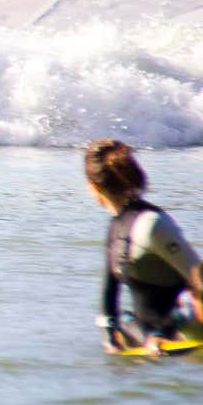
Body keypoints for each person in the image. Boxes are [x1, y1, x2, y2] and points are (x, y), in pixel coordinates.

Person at [83, 139, 203, 354]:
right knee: (123, 321)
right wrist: (111, 342)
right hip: (153, 336)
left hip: (186, 325)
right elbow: (109, 298)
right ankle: (152, 338)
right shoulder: (115, 229)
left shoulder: (152, 224)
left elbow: (198, 276)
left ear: (92, 187)